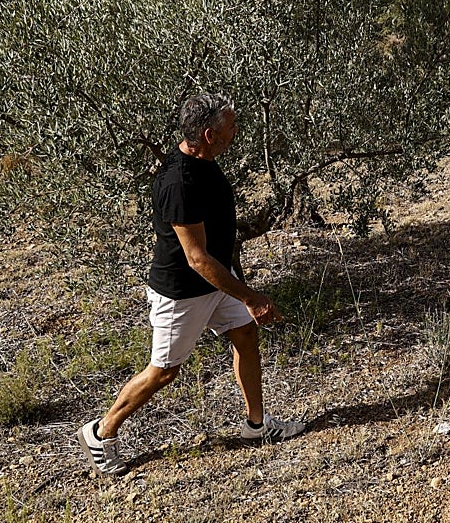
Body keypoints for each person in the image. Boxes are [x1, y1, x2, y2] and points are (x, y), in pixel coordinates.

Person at [77, 93, 305, 477]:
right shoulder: (178, 183)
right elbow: (196, 258)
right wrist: (251, 296)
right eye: (230, 127)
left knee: (246, 336)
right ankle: (101, 432)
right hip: (182, 292)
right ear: (208, 134)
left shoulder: (204, 160)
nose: (236, 132)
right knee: (164, 372)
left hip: (215, 283)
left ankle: (256, 426)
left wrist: (237, 291)